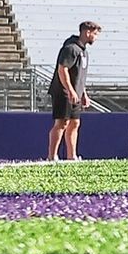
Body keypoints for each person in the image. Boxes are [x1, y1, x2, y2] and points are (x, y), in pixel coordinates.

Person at [47, 21, 99, 161]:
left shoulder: (83, 52)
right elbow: (62, 69)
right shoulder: (71, 49)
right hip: (63, 91)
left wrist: (83, 94)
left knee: (75, 123)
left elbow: (79, 75)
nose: (95, 37)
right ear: (87, 32)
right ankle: (52, 156)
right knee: (62, 122)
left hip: (76, 92)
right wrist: (70, 90)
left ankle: (72, 156)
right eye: (94, 34)